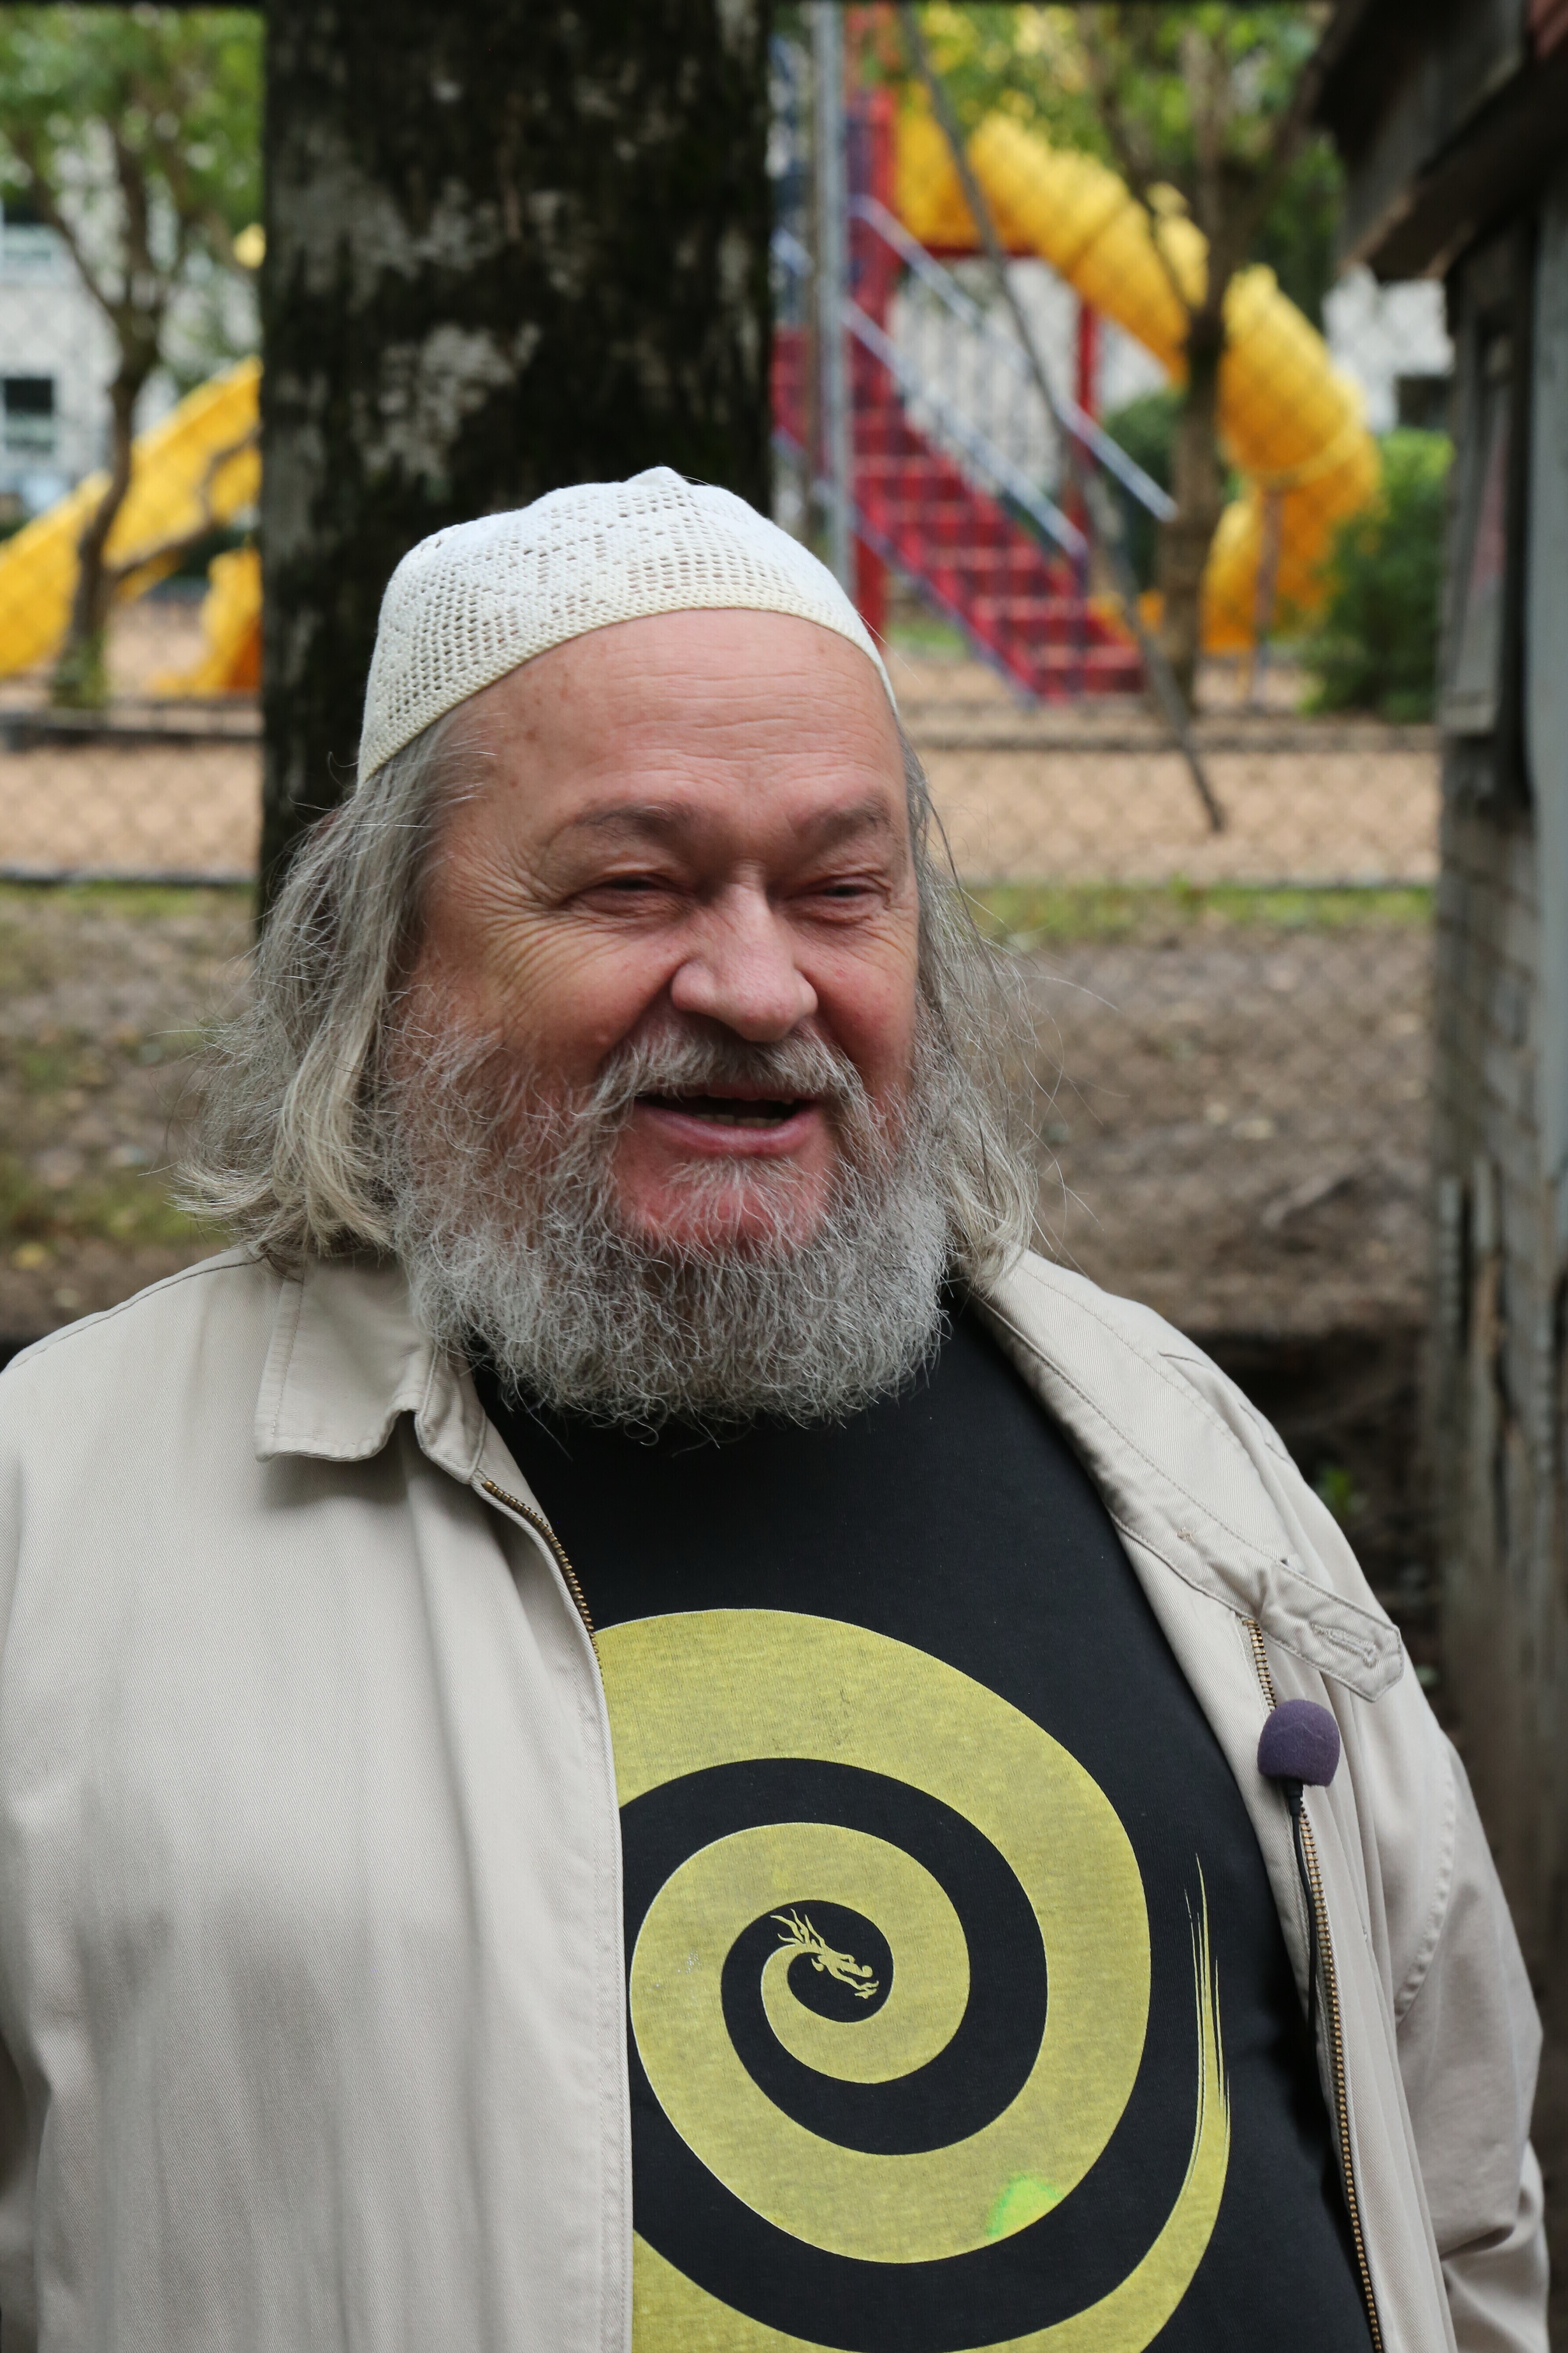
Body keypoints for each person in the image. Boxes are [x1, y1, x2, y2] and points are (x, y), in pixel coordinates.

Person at [0, 468, 1543, 2353]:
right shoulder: (50, 1522)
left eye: (836, 892)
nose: (754, 984)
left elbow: (1456, 2199)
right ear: (379, 949)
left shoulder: (1176, 1450)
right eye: (631, 886)